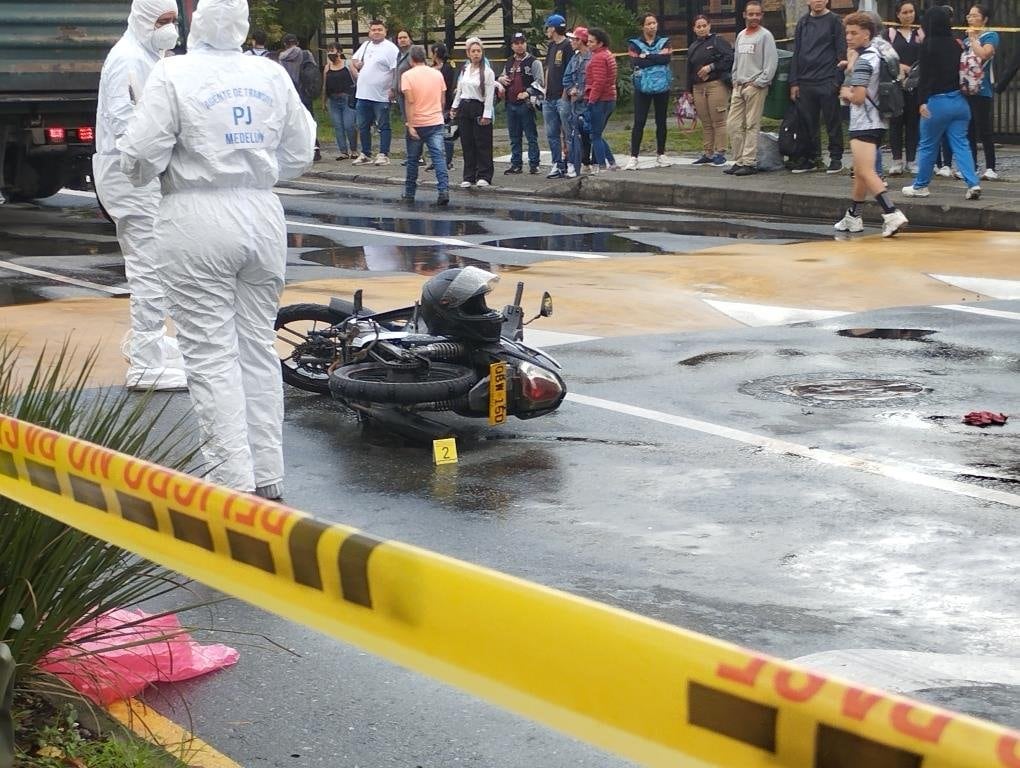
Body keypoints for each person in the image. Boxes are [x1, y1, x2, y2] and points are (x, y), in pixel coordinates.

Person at [117, 0, 316, 498]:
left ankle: (230, 480)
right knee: (257, 347)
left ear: (196, 23)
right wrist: (254, 169)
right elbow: (299, 151)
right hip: (262, 212)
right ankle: (267, 473)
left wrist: (158, 165)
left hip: (194, 214)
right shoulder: (270, 73)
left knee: (209, 351)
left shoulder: (172, 74)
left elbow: (139, 157)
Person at [93, 0, 187, 392]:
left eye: (173, 20)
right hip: (131, 175)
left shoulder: (150, 56)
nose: (169, 28)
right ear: (143, 19)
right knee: (147, 266)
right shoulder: (128, 59)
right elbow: (128, 127)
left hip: (142, 173)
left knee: (157, 263)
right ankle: (147, 361)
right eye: (162, 21)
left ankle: (150, 342)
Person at [833, 12, 908, 237]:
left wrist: (845, 92)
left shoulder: (864, 61)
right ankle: (853, 216)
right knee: (860, 171)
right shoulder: (879, 54)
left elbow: (858, 97)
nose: (849, 37)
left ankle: (891, 213)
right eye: (847, 33)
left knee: (866, 171)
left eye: (854, 33)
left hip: (863, 123)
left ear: (867, 34)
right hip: (878, 121)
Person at [901, 5, 982, 200]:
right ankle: (973, 183)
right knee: (961, 144)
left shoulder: (928, 45)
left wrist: (922, 102)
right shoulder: (956, 44)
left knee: (928, 145)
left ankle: (921, 186)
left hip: (936, 103)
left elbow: (924, 77)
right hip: (960, 102)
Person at [788, 0, 847, 173]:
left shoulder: (835, 20)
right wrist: (794, 82)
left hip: (827, 79)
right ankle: (812, 158)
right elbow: (796, 52)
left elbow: (841, 50)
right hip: (805, 80)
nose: (818, 1)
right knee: (808, 123)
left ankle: (836, 158)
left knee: (832, 121)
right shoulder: (803, 22)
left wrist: (837, 80)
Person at [725, 0, 777, 177]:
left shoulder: (765, 36)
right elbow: (737, 59)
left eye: (757, 14)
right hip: (739, 86)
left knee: (751, 125)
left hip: (755, 86)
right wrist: (734, 79)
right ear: (744, 15)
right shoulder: (741, 35)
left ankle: (749, 162)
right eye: (751, 14)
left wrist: (760, 82)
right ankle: (738, 159)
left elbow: (771, 63)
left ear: (762, 15)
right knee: (733, 124)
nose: (754, 17)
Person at [401, 45, 450, 205]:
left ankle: (409, 193)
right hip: (435, 121)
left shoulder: (407, 76)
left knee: (413, 159)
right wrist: (438, 114)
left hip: (417, 122)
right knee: (438, 157)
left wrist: (410, 124)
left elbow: (410, 101)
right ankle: (443, 190)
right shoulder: (437, 74)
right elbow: (442, 100)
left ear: (411, 59)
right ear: (424, 57)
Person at [625, 14, 673, 170]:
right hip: (642, 88)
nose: (652, 26)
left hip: (661, 87)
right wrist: (655, 58)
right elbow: (636, 62)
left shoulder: (664, 41)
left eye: (654, 23)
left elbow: (665, 59)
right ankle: (634, 157)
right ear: (643, 26)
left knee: (661, 120)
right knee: (639, 121)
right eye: (648, 23)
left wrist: (647, 56)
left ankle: (661, 154)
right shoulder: (634, 44)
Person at [686, 15, 733, 167]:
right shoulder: (693, 47)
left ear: (709, 26)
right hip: (698, 87)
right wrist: (688, 91)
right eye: (698, 26)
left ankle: (721, 152)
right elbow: (689, 70)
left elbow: (729, 58)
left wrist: (711, 67)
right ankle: (708, 152)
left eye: (704, 26)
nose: (701, 29)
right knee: (706, 122)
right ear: (694, 29)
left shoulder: (717, 41)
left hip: (716, 85)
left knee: (718, 120)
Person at [351, 20, 399, 165]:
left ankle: (383, 154)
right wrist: (356, 67)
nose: (376, 32)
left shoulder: (390, 48)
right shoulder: (366, 45)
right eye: (373, 30)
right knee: (362, 126)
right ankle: (365, 153)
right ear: (369, 32)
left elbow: (395, 70)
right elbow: (353, 60)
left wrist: (393, 88)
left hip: (381, 95)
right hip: (363, 94)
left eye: (379, 29)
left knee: (383, 125)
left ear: (385, 31)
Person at [451, 37, 496, 188]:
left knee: (482, 142)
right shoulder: (465, 69)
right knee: (467, 142)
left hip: (479, 106)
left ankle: (484, 175)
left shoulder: (487, 72)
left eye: (478, 51)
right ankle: (469, 175)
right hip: (465, 106)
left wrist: (487, 114)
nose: (476, 54)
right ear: (468, 53)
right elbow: (460, 89)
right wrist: (454, 107)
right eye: (473, 51)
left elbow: (489, 95)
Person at [499, 31, 544, 175]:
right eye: (516, 43)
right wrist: (501, 79)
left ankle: (534, 164)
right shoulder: (509, 62)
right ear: (512, 46)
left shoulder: (533, 62)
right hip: (510, 103)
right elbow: (502, 76)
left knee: (531, 136)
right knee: (514, 136)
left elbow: (540, 81)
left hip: (526, 103)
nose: (520, 46)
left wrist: (528, 92)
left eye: (522, 43)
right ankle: (516, 164)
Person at [886, 0, 922, 176]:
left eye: (911, 12)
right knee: (896, 122)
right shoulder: (890, 33)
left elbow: (926, 54)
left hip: (915, 84)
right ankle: (896, 160)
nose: (909, 15)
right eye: (905, 12)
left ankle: (912, 160)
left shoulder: (920, 32)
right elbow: (884, 55)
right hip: (896, 84)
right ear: (898, 15)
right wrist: (899, 66)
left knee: (913, 122)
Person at [963, 4, 998, 180]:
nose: (971, 18)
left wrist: (973, 39)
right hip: (967, 90)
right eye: (969, 15)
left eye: (975, 15)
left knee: (984, 129)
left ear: (984, 19)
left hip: (983, 89)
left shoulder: (990, 36)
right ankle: (972, 166)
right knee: (968, 129)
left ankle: (991, 167)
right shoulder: (966, 40)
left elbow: (984, 54)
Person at [278, 33, 322, 161]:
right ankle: (315, 149)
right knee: (309, 121)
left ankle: (296, 151)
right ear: (297, 43)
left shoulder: (281, 58)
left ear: (285, 44)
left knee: (292, 123)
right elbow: (313, 72)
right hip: (305, 93)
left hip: (290, 95)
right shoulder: (306, 54)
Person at [542, 14, 574, 179]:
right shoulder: (551, 46)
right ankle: (557, 163)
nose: (547, 30)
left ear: (553, 28)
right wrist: (545, 90)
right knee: (552, 133)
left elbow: (570, 71)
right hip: (549, 96)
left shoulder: (568, 46)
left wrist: (564, 95)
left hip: (563, 97)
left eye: (548, 27)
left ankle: (570, 162)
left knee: (568, 132)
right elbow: (548, 69)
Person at [584, 28, 617, 174]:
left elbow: (599, 82)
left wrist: (591, 101)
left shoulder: (598, 58)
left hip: (600, 100)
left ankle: (602, 165)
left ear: (600, 43)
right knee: (598, 133)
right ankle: (612, 162)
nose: (588, 44)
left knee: (595, 135)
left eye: (591, 42)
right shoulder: (607, 54)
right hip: (610, 98)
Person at [563, 26, 592, 176]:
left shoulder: (592, 58)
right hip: (576, 104)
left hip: (589, 102)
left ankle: (595, 162)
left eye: (574, 39)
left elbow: (594, 80)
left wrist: (580, 92)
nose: (571, 42)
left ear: (580, 40)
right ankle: (581, 163)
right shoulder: (574, 59)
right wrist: (570, 90)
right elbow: (566, 78)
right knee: (577, 134)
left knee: (591, 133)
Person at [323, 44, 358, 160]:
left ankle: (354, 150)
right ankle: (343, 151)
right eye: (328, 51)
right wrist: (324, 101)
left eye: (332, 50)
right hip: (333, 100)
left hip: (347, 98)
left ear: (339, 52)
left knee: (349, 125)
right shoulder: (327, 67)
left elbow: (357, 78)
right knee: (338, 126)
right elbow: (325, 85)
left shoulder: (347, 64)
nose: (330, 53)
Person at [430, 43, 456, 171]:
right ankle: (436, 160)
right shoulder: (431, 68)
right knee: (434, 135)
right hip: (432, 104)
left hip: (446, 104)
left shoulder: (448, 67)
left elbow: (448, 86)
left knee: (447, 134)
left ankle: (448, 161)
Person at [391, 29, 413, 121]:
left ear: (410, 39)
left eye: (405, 37)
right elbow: (397, 72)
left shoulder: (413, 53)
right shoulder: (399, 55)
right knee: (406, 120)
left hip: (412, 92)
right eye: (400, 38)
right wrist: (393, 88)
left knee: (413, 119)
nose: (402, 40)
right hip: (401, 93)